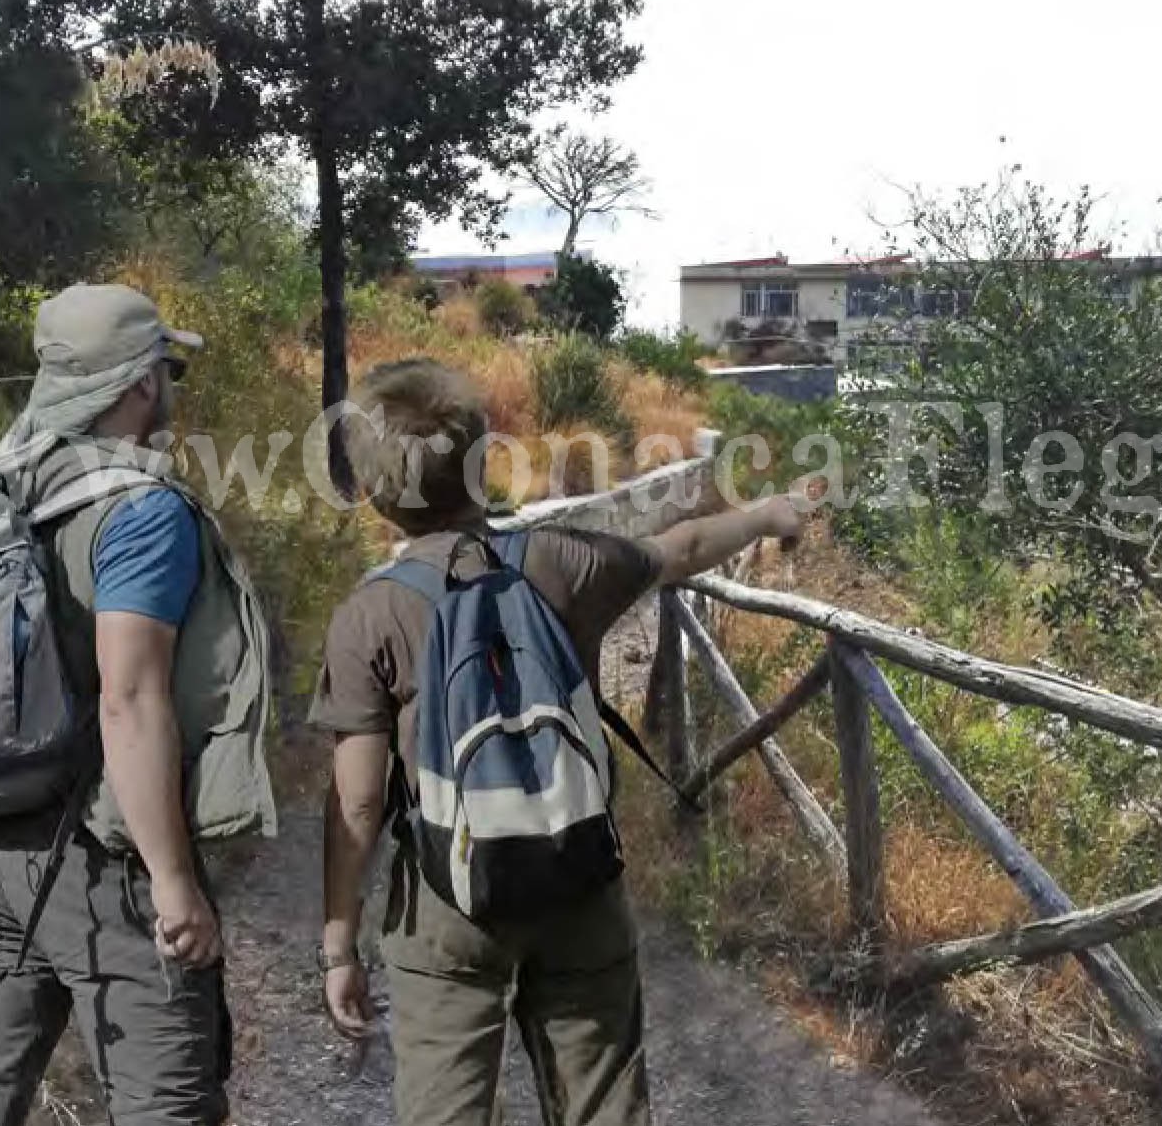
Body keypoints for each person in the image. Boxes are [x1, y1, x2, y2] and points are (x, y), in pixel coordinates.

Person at [314, 358, 807, 1126]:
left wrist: (339, 940)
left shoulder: (368, 617)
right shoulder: (559, 562)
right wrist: (766, 514)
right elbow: (679, 548)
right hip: (577, 873)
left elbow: (359, 800)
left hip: (448, 897)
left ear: (375, 493)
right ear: (483, 467)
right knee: (604, 1104)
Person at [0, 284, 277, 1126]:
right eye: (167, 364)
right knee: (168, 1106)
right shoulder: (141, 509)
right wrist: (177, 881)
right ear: (141, 381)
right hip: (107, 858)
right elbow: (131, 697)